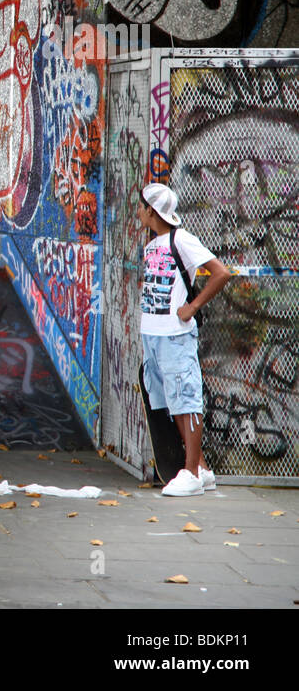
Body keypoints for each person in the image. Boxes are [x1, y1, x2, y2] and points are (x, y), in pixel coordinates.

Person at [137, 182, 231, 497]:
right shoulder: (153, 245)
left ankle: (190, 472)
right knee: (170, 402)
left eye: (141, 206)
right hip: (153, 334)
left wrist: (192, 307)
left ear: (151, 210)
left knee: (186, 399)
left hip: (174, 337)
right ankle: (202, 469)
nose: (139, 212)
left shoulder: (183, 240)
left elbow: (220, 272)